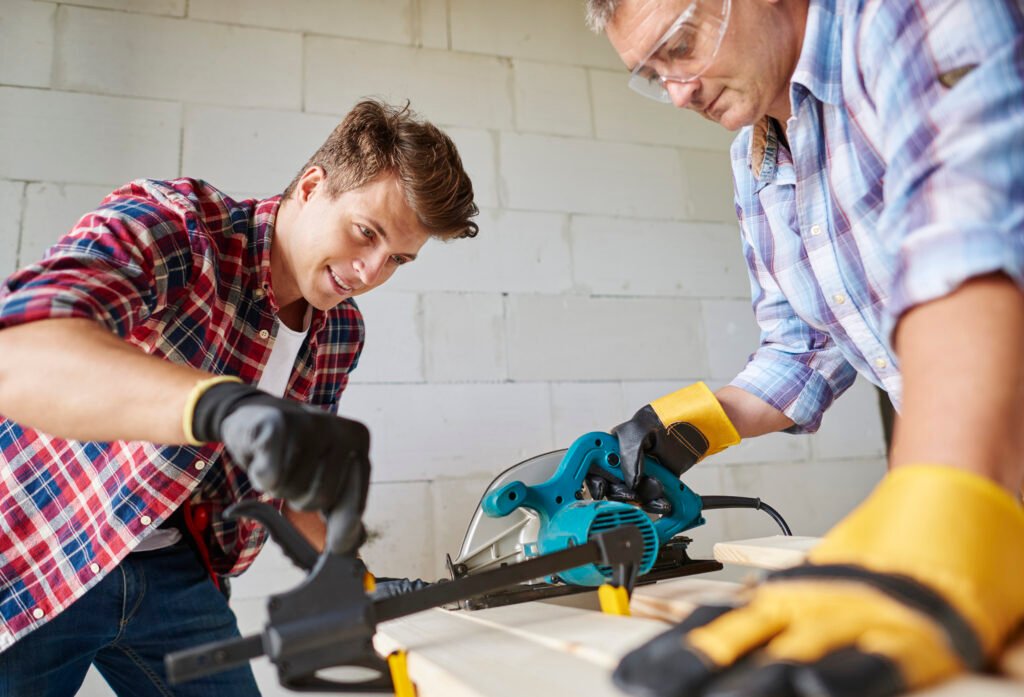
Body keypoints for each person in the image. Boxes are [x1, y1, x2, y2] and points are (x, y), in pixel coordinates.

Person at [582, 1, 1024, 695]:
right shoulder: (754, 160)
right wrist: (687, 426)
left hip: (967, 482)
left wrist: (939, 508)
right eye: (651, 74)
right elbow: (802, 349)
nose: (678, 91)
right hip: (986, 492)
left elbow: (968, 248)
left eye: (682, 45)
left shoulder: (902, 17)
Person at [0, 99, 478, 696]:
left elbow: (290, 482)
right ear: (311, 186)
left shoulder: (338, 331)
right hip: (38, 545)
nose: (368, 272)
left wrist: (351, 578)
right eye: (366, 233)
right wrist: (223, 406)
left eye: (398, 260)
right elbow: (18, 352)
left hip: (175, 573)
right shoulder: (177, 222)